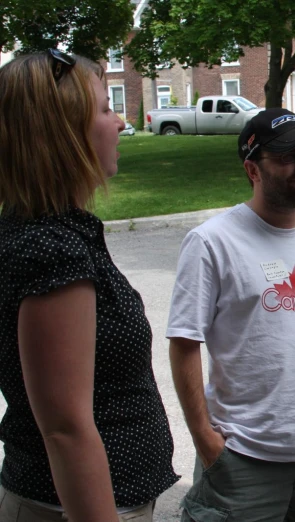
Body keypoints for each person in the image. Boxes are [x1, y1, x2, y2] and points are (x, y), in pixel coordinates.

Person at [167, 108, 295, 521]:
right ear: (252, 170)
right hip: (243, 456)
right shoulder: (211, 242)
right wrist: (207, 441)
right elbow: (184, 343)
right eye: (285, 157)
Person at [0, 51, 179, 521]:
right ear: (63, 133)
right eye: (104, 108)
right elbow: (65, 428)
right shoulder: (51, 250)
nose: (119, 122)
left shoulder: (43, 230)